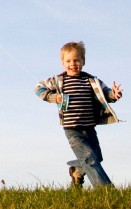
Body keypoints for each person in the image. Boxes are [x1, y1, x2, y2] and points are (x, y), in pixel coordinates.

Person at [34, 40, 123, 188]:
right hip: (72, 129)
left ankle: (77, 171)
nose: (72, 64)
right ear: (63, 63)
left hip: (89, 126)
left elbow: (104, 93)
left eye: (76, 60)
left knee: (96, 158)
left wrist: (114, 94)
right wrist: (53, 97)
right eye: (68, 61)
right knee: (89, 159)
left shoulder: (90, 80)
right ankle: (106, 190)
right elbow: (38, 88)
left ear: (83, 61)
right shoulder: (59, 80)